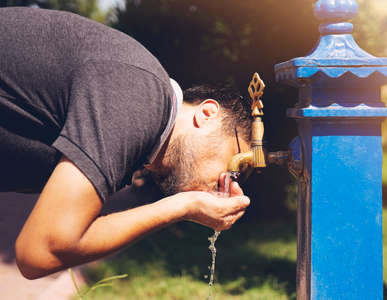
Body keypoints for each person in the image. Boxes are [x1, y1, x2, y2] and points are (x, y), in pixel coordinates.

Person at [0, 7, 252, 279]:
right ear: (207, 114)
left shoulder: (139, 118)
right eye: (234, 165)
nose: (228, 184)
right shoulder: (140, 95)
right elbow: (41, 251)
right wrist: (181, 206)